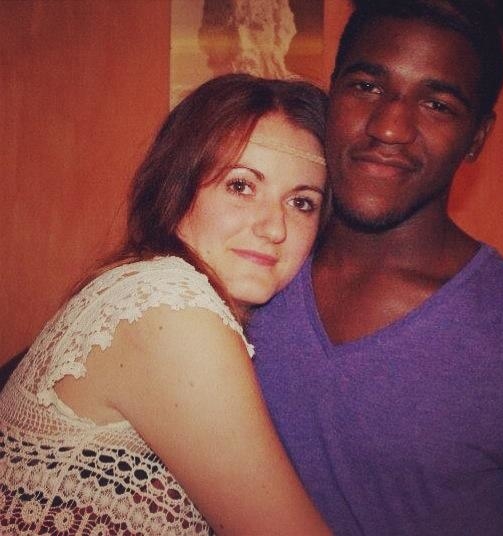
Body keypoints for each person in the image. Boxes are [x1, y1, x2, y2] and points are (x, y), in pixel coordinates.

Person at [247, 1, 503, 535]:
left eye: (438, 104)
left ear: (477, 136)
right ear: (331, 93)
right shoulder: (251, 266)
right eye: (367, 86)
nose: (389, 128)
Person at [0, 73, 332, 535]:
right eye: (241, 186)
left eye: (301, 202)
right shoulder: (169, 304)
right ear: (177, 187)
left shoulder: (141, 284)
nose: (274, 227)